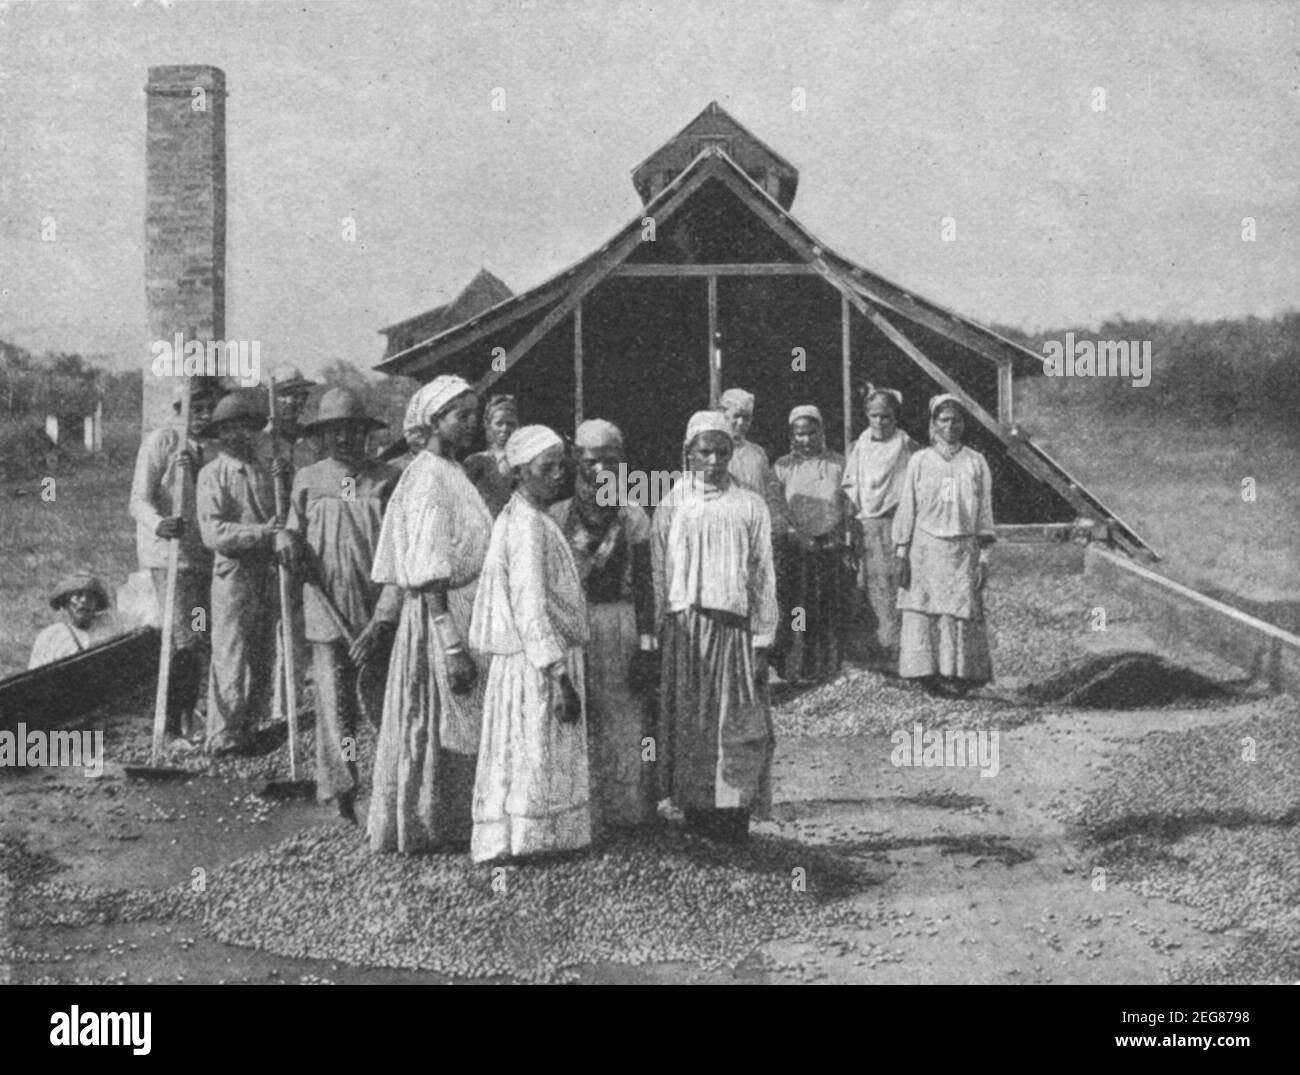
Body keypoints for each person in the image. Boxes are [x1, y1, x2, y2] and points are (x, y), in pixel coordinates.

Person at [367, 376, 493, 853]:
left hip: (465, 603)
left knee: (461, 713)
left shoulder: (453, 471)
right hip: (440, 614)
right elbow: (429, 570)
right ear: (433, 421)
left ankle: (454, 818)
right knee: (433, 710)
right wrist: (451, 643)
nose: (472, 423)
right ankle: (423, 822)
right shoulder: (425, 478)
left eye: (473, 413)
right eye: (461, 415)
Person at [651, 410, 777, 844]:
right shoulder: (672, 503)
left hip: (735, 631)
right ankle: (697, 814)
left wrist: (762, 637)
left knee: (736, 722)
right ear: (689, 453)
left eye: (722, 452)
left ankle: (733, 814)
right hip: (686, 630)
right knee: (694, 724)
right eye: (704, 452)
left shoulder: (749, 504)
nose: (713, 460)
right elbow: (658, 571)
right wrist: (658, 632)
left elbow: (762, 574)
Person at [470, 425, 592, 864]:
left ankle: (544, 837)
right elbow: (529, 607)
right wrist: (557, 674)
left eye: (563, 465)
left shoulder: (532, 517)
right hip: (535, 662)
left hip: (537, 656)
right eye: (547, 467)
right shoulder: (525, 526)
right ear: (521, 472)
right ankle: (531, 840)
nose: (558, 475)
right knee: (533, 751)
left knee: (535, 752)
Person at [280, 388, 400, 822]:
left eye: (352, 431)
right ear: (323, 436)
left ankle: (393, 783)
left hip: (375, 610)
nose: (344, 439)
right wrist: (286, 540)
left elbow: (400, 550)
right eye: (335, 432)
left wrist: (384, 619)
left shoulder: (387, 478)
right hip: (325, 606)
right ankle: (344, 790)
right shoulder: (308, 479)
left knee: (383, 700)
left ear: (365, 433)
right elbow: (294, 530)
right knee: (335, 706)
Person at [550, 418, 657, 835]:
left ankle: (627, 813)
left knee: (624, 717)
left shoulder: (632, 513)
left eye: (610, 461)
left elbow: (647, 585)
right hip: (572, 626)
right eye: (592, 460)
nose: (601, 470)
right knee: (575, 717)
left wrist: (647, 643)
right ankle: (577, 811)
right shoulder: (557, 514)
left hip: (619, 622)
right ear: (577, 458)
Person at [128, 378, 225, 747]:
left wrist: (198, 473)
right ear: (180, 409)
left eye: (209, 408)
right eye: (196, 407)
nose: (203, 415)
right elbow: (138, 501)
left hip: (204, 557)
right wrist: (160, 523)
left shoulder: (214, 450)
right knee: (184, 637)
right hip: (169, 558)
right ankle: (168, 727)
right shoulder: (161, 442)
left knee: (199, 636)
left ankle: (189, 718)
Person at [195, 389, 285, 755]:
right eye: (229, 429)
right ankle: (222, 732)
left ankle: (252, 721)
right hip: (232, 572)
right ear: (219, 434)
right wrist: (261, 533)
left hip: (266, 571)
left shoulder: (267, 471)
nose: (239, 436)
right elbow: (213, 533)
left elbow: (282, 516)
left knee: (263, 650)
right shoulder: (211, 475)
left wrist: (285, 481)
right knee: (230, 651)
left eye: (246, 428)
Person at [893, 394, 996, 697]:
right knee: (923, 608)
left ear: (964, 424)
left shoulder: (976, 462)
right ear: (933, 424)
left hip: (962, 548)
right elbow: (908, 507)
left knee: (959, 610)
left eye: (956, 420)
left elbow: (985, 511)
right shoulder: (920, 461)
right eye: (944, 420)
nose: (950, 426)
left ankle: (959, 675)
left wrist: (984, 558)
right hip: (924, 547)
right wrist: (902, 553)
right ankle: (926, 675)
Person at [842, 388, 918, 671]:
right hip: (865, 526)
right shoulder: (860, 444)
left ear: (895, 416)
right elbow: (852, 488)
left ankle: (895, 654)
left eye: (886, 416)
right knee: (863, 589)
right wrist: (852, 526)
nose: (879, 422)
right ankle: (867, 655)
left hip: (892, 524)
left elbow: (913, 489)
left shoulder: (906, 445)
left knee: (891, 589)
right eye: (874, 416)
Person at [773, 405, 847, 683]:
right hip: (796, 547)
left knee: (826, 606)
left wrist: (839, 536)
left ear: (822, 432)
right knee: (798, 608)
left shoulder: (838, 464)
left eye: (811, 433)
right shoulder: (782, 467)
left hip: (829, 548)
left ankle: (827, 665)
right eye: (799, 434)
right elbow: (776, 506)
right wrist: (794, 533)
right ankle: (796, 663)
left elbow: (847, 504)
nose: (805, 439)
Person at [720, 387, 794, 542]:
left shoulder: (757, 453)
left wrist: (775, 522)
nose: (741, 422)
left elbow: (769, 492)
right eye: (736, 416)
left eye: (746, 418)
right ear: (723, 413)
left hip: (754, 531)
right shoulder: (713, 452)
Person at [28, 574, 128, 669]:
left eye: (91, 597)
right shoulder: (50, 637)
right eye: (78, 595)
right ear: (65, 601)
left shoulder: (110, 625)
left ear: (97, 603)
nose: (84, 600)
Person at [462, 394, 519, 517]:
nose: (505, 429)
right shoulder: (475, 462)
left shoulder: (525, 463)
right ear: (488, 426)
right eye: (499, 423)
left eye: (510, 424)